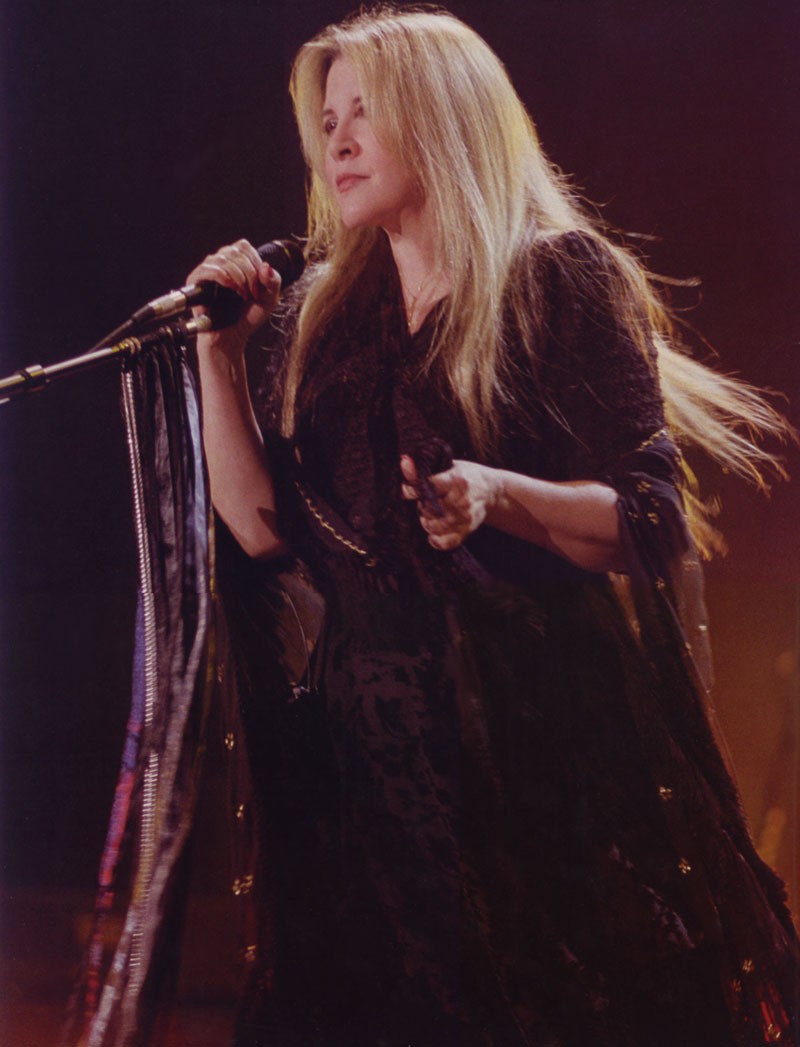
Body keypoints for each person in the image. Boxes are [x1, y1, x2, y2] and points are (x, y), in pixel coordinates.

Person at [186, 7, 798, 1046]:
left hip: (521, 750)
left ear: (441, 116)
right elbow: (260, 530)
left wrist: (495, 493)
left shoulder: (558, 278)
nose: (337, 142)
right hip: (363, 769)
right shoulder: (333, 318)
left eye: (364, 113)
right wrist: (221, 355)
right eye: (326, 120)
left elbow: (648, 520)